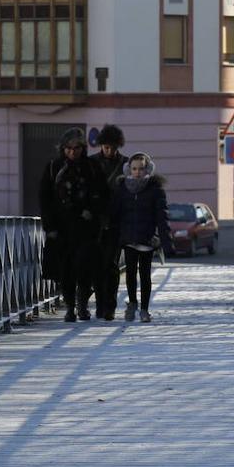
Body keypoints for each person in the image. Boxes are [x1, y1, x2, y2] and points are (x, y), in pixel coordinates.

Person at [38, 127, 106, 322]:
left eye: (76, 148)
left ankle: (82, 305)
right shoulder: (53, 167)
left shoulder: (92, 167)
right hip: (61, 228)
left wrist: (92, 212)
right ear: (63, 148)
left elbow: (102, 194)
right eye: (69, 148)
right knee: (65, 269)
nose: (72, 152)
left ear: (83, 148)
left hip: (86, 227)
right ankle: (69, 307)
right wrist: (49, 226)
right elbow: (45, 198)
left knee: (85, 267)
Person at [110, 152, 171, 323]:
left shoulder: (155, 189)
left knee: (145, 275)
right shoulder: (122, 188)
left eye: (141, 168)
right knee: (130, 273)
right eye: (134, 168)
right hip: (129, 239)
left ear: (148, 169)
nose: (137, 172)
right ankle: (132, 303)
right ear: (129, 169)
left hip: (147, 238)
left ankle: (144, 309)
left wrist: (165, 240)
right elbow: (116, 213)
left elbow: (162, 215)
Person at [90, 124, 127, 321]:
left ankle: (110, 307)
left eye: (112, 147)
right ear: (101, 145)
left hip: (116, 221)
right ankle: (100, 304)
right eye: (106, 147)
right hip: (94, 222)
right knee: (97, 265)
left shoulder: (126, 164)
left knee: (111, 265)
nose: (109, 151)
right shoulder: (91, 163)